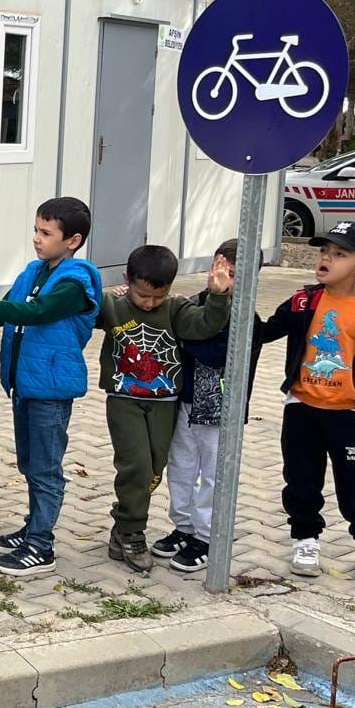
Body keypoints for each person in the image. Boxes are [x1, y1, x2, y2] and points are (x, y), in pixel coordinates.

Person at [0, 197, 102, 578]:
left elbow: (35, 313)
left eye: (46, 233)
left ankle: (41, 546)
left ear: (73, 240)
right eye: (36, 230)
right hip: (25, 384)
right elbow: (8, 307)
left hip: (51, 388)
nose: (37, 239)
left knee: (46, 468)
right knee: (30, 463)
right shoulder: (34, 270)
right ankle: (32, 528)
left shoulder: (76, 282)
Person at [256, 222, 355, 582]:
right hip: (302, 408)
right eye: (323, 252)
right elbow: (266, 331)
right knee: (301, 479)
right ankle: (305, 538)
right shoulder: (305, 301)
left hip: (349, 415)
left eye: (339, 254)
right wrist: (229, 301)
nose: (326, 259)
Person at [94, 245, 232, 573]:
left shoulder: (175, 309)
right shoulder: (112, 305)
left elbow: (204, 326)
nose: (150, 303)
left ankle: (122, 527)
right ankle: (131, 530)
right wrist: (92, 286)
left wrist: (217, 295)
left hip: (165, 402)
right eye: (142, 295)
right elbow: (84, 308)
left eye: (159, 295)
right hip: (124, 400)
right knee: (136, 465)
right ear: (127, 279)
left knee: (155, 470)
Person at [154, 239, 255, 574]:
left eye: (241, 276)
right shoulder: (193, 304)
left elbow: (215, 353)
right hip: (185, 401)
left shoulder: (245, 315)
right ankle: (183, 526)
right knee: (181, 465)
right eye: (226, 271)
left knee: (214, 472)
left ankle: (208, 536)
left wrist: (190, 339)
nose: (229, 282)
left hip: (220, 409)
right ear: (216, 264)